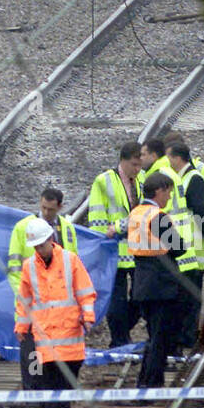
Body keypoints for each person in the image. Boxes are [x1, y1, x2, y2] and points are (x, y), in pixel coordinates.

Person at [14, 217, 96, 398]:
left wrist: (88, 317)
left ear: (51, 240)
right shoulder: (30, 267)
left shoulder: (70, 261)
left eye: (41, 245)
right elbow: (25, 300)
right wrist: (21, 327)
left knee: (65, 390)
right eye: (35, 247)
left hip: (69, 339)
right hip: (45, 341)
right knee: (51, 391)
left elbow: (85, 292)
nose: (39, 250)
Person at [128, 171, 186, 388]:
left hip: (143, 283)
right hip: (162, 285)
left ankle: (149, 381)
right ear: (160, 190)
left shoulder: (136, 213)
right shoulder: (157, 216)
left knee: (154, 336)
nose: (169, 197)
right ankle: (149, 385)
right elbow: (178, 248)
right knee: (160, 339)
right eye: (168, 192)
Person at [87, 140, 143, 345]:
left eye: (140, 165)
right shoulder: (103, 181)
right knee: (117, 299)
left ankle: (122, 330)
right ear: (123, 161)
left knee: (140, 298)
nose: (137, 170)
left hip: (138, 250)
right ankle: (119, 340)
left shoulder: (142, 180)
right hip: (114, 251)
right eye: (134, 165)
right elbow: (97, 218)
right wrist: (101, 245)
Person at [165, 140, 204, 348]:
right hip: (187, 248)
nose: (167, 161)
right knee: (186, 294)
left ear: (178, 158)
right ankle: (185, 333)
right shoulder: (182, 178)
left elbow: (199, 211)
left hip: (193, 247)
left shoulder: (193, 178)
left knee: (192, 294)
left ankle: (188, 335)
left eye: (169, 157)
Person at [7, 187, 78, 293]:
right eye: (43, 207)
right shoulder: (22, 227)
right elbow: (14, 266)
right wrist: (23, 295)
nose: (46, 212)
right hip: (32, 293)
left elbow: (74, 262)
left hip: (60, 293)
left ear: (60, 207)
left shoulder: (67, 227)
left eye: (50, 209)